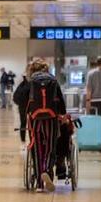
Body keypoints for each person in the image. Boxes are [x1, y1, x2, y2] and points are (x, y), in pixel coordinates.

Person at [25, 59, 67, 193]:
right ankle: (46, 170)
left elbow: (22, 99)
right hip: (51, 118)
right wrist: (63, 114)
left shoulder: (31, 81)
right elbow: (60, 100)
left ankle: (39, 184)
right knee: (50, 147)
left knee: (37, 150)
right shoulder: (53, 80)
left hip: (35, 119)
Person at [12, 72, 30, 146]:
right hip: (30, 107)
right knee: (32, 124)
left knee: (23, 123)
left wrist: (20, 104)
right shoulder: (31, 85)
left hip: (22, 107)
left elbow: (15, 97)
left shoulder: (21, 85)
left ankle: (23, 140)